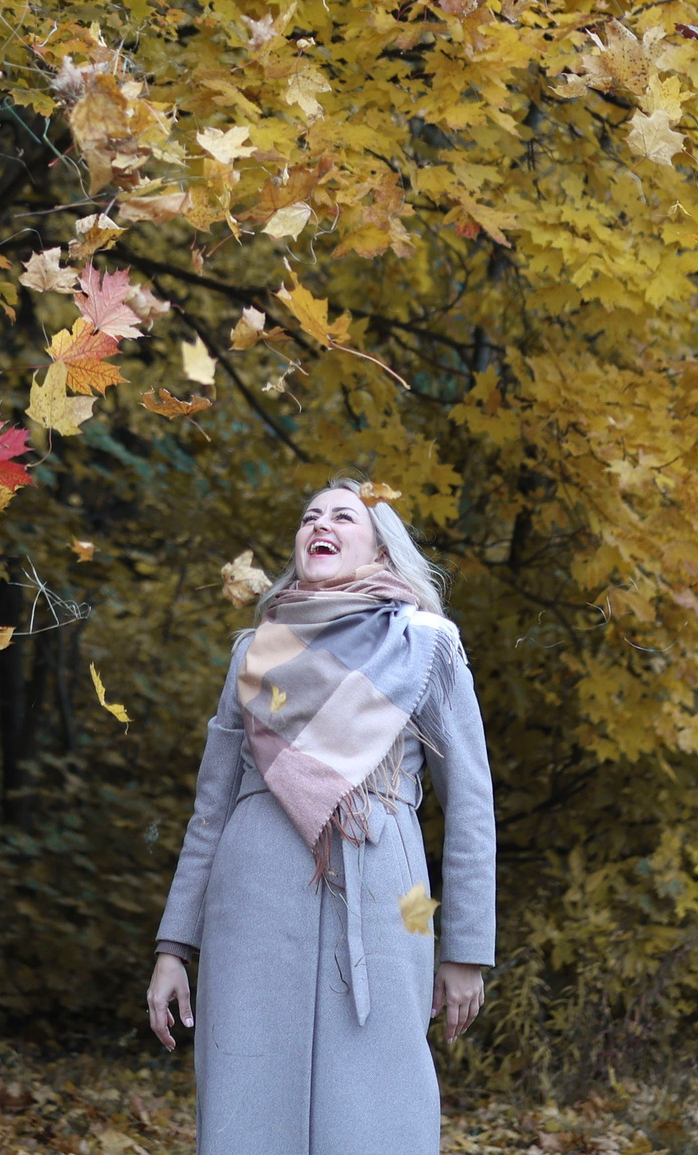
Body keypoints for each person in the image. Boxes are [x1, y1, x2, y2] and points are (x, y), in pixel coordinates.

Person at [146, 479, 496, 1155]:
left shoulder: (426, 643)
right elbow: (210, 810)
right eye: (310, 516)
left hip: (399, 898)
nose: (320, 525)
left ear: (381, 545)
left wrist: (464, 949)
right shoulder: (256, 650)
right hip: (248, 901)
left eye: (342, 515)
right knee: (247, 1102)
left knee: (383, 1100)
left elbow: (471, 801)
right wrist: (173, 946)